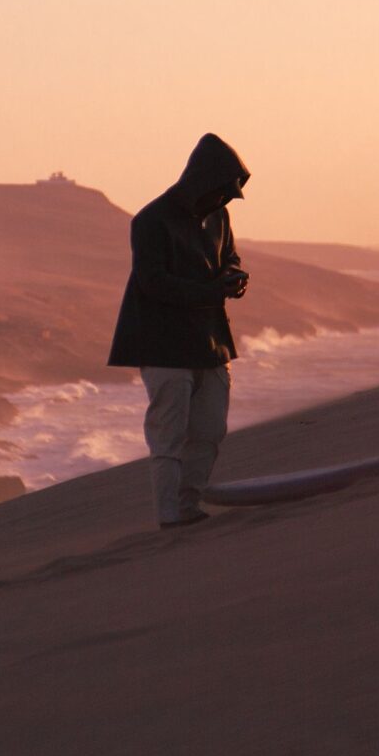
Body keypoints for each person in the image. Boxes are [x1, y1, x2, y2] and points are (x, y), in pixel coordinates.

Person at [106, 133, 250, 527]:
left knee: (208, 431)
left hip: (210, 342)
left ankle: (189, 507)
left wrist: (234, 276)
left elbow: (230, 256)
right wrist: (210, 291)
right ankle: (170, 517)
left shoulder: (219, 216)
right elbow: (153, 282)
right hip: (164, 344)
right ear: (205, 181)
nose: (225, 199)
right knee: (167, 437)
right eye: (223, 190)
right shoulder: (151, 220)